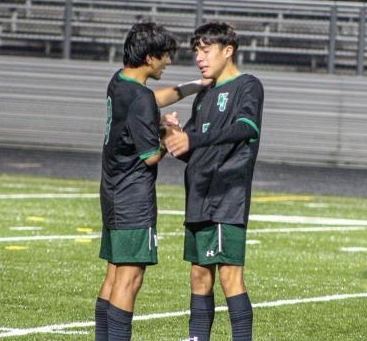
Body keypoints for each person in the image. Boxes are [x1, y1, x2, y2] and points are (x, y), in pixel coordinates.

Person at [95, 22, 208, 341]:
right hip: (134, 197)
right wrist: (167, 133)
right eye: (165, 57)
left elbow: (149, 101)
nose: (168, 62)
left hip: (112, 190)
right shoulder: (141, 98)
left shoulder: (118, 81)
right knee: (129, 280)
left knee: (114, 273)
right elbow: (151, 157)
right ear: (149, 58)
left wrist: (195, 86)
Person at [163, 21, 264, 341]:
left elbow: (247, 127)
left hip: (226, 197)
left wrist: (194, 140)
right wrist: (173, 135)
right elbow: (191, 149)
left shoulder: (248, 85)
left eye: (206, 51)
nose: (199, 58)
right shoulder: (204, 94)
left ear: (228, 50)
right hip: (198, 196)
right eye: (196, 52)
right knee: (198, 277)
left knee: (230, 277)